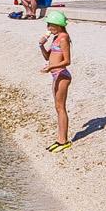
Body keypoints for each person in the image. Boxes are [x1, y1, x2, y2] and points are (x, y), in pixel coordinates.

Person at [39, 10, 74, 149]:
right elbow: (48, 57)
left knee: (61, 108)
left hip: (62, 75)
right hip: (56, 75)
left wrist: (51, 67)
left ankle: (64, 141)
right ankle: (60, 138)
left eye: (50, 25)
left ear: (58, 25)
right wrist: (41, 45)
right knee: (57, 107)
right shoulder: (56, 37)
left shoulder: (64, 37)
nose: (48, 28)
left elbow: (67, 61)